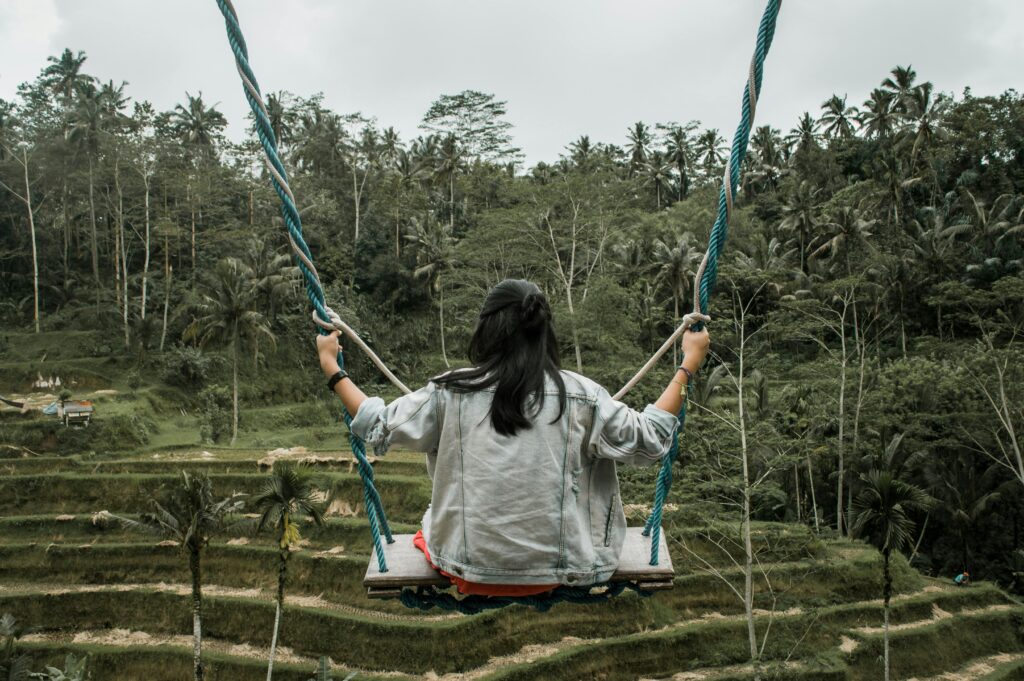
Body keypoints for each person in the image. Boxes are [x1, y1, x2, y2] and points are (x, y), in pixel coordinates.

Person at [316, 279, 710, 596]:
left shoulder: (450, 392)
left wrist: (332, 366)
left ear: (486, 330)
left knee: (430, 526)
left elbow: (377, 425)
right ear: (544, 332)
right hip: (565, 570)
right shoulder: (584, 396)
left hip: (468, 569)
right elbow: (652, 438)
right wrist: (688, 364)